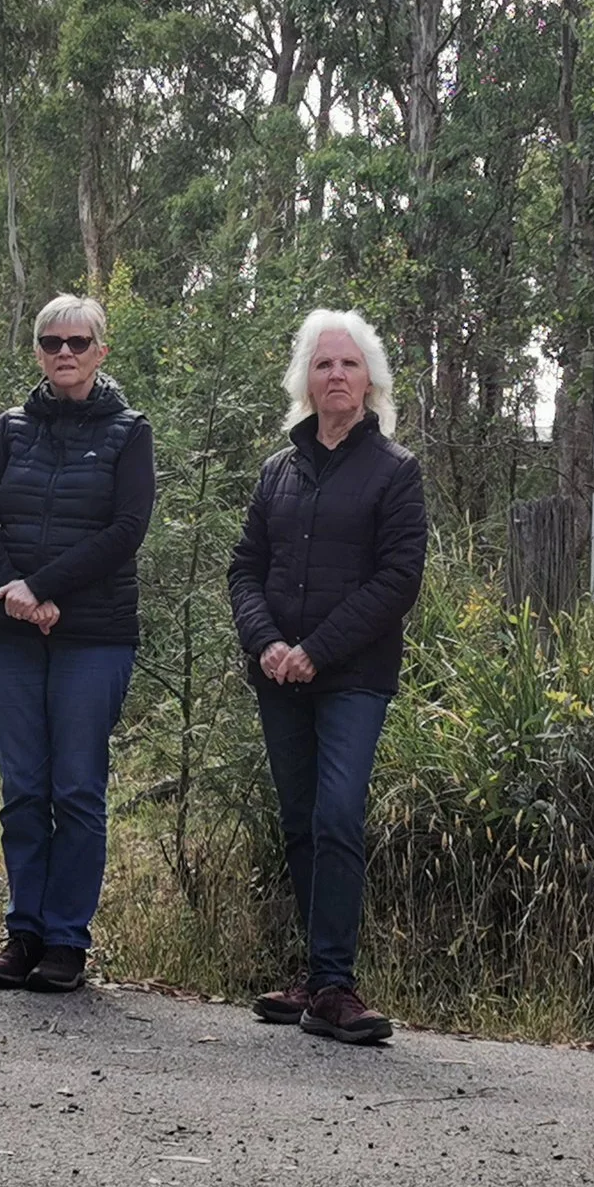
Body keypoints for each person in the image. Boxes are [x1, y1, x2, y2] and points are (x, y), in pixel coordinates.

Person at [227, 307, 428, 1046]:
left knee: (339, 815)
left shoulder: (395, 472)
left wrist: (316, 648)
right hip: (278, 675)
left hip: (353, 678)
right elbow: (245, 568)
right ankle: (313, 980)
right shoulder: (277, 471)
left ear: (369, 378)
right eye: (323, 364)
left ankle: (337, 984)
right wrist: (270, 643)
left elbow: (398, 579)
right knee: (300, 820)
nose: (336, 374)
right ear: (304, 381)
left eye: (348, 363)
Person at [0, 294, 155, 994]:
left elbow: (127, 528)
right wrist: (12, 587)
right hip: (10, 633)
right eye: (51, 341)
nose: (64, 352)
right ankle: (24, 933)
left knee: (75, 787)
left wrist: (41, 586)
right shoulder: (8, 429)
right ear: (37, 351)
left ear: (101, 350)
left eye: (78, 341)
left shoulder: (130, 431)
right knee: (22, 789)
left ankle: (67, 940)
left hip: (93, 635)